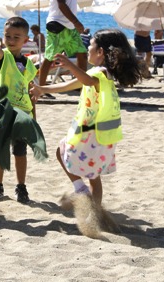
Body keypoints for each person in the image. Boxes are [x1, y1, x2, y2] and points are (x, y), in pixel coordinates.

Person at [31, 29, 142, 208]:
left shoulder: (101, 72)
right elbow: (71, 84)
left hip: (92, 134)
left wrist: (70, 65)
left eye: (90, 45)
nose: (87, 49)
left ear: (100, 52)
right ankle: (88, 200)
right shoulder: (99, 73)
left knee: (70, 158)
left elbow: (87, 81)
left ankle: (87, 200)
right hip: (97, 134)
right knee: (83, 168)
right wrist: (43, 89)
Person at [0, 16, 38, 204]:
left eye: (17, 37)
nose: (11, 40)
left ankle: (21, 187)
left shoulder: (29, 64)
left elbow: (30, 91)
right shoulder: (3, 57)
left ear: (26, 40)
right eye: (7, 36)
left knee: (20, 152)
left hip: (22, 114)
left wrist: (34, 116)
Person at [38, 0, 88, 89]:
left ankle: (81, 85)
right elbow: (61, 4)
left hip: (69, 26)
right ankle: (41, 88)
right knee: (50, 57)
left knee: (82, 53)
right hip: (57, 24)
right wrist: (77, 22)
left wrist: (74, 23)